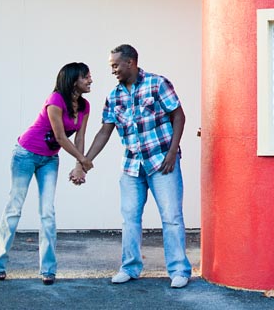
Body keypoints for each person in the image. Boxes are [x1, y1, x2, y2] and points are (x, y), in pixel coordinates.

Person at [71, 44, 192, 288]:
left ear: (131, 62)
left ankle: (179, 270)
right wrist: (85, 162)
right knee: (130, 219)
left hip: (162, 162)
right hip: (132, 167)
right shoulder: (114, 96)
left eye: (115, 65)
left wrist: (172, 153)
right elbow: (104, 132)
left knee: (171, 217)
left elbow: (179, 116)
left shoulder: (157, 84)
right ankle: (130, 268)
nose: (112, 70)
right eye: (110, 66)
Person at [0, 62, 94, 285]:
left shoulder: (85, 106)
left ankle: (48, 269)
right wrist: (83, 160)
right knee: (14, 207)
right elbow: (61, 137)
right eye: (86, 77)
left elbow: (79, 138)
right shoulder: (55, 100)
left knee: (47, 213)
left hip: (49, 160)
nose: (90, 80)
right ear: (74, 80)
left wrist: (78, 166)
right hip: (25, 154)